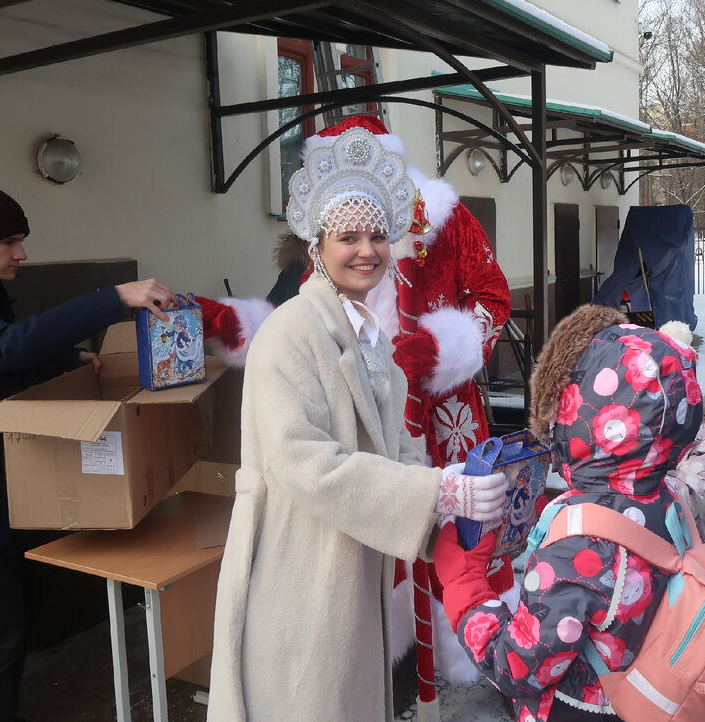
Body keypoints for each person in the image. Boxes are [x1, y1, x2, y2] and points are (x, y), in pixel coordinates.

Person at [204, 125, 508, 722]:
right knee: (309, 696)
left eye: (376, 235)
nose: (366, 250)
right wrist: (436, 491)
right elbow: (304, 463)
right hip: (303, 562)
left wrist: (448, 498)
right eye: (348, 237)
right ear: (317, 245)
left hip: (356, 551)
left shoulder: (366, 333)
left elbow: (397, 443)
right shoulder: (292, 331)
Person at [0, 184, 176, 722]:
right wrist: (112, 298)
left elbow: (4, 353)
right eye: (10, 242)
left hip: (11, 478)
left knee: (20, 617)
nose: (21, 254)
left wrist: (71, 357)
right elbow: (2, 348)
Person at [432, 303, 705, 721]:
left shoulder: (580, 547)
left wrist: (464, 586)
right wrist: (549, 514)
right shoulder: (666, 501)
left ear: (575, 415)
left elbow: (518, 667)